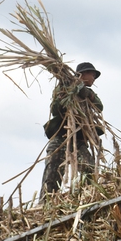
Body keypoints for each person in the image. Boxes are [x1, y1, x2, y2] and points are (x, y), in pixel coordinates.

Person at [40, 62, 104, 198]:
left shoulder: (89, 94)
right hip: (61, 138)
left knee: (90, 169)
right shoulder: (63, 88)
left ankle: (88, 196)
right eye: (92, 74)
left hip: (79, 140)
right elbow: (54, 109)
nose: (93, 78)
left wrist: (85, 93)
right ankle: (46, 202)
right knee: (52, 171)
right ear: (82, 74)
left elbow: (99, 107)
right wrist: (66, 97)